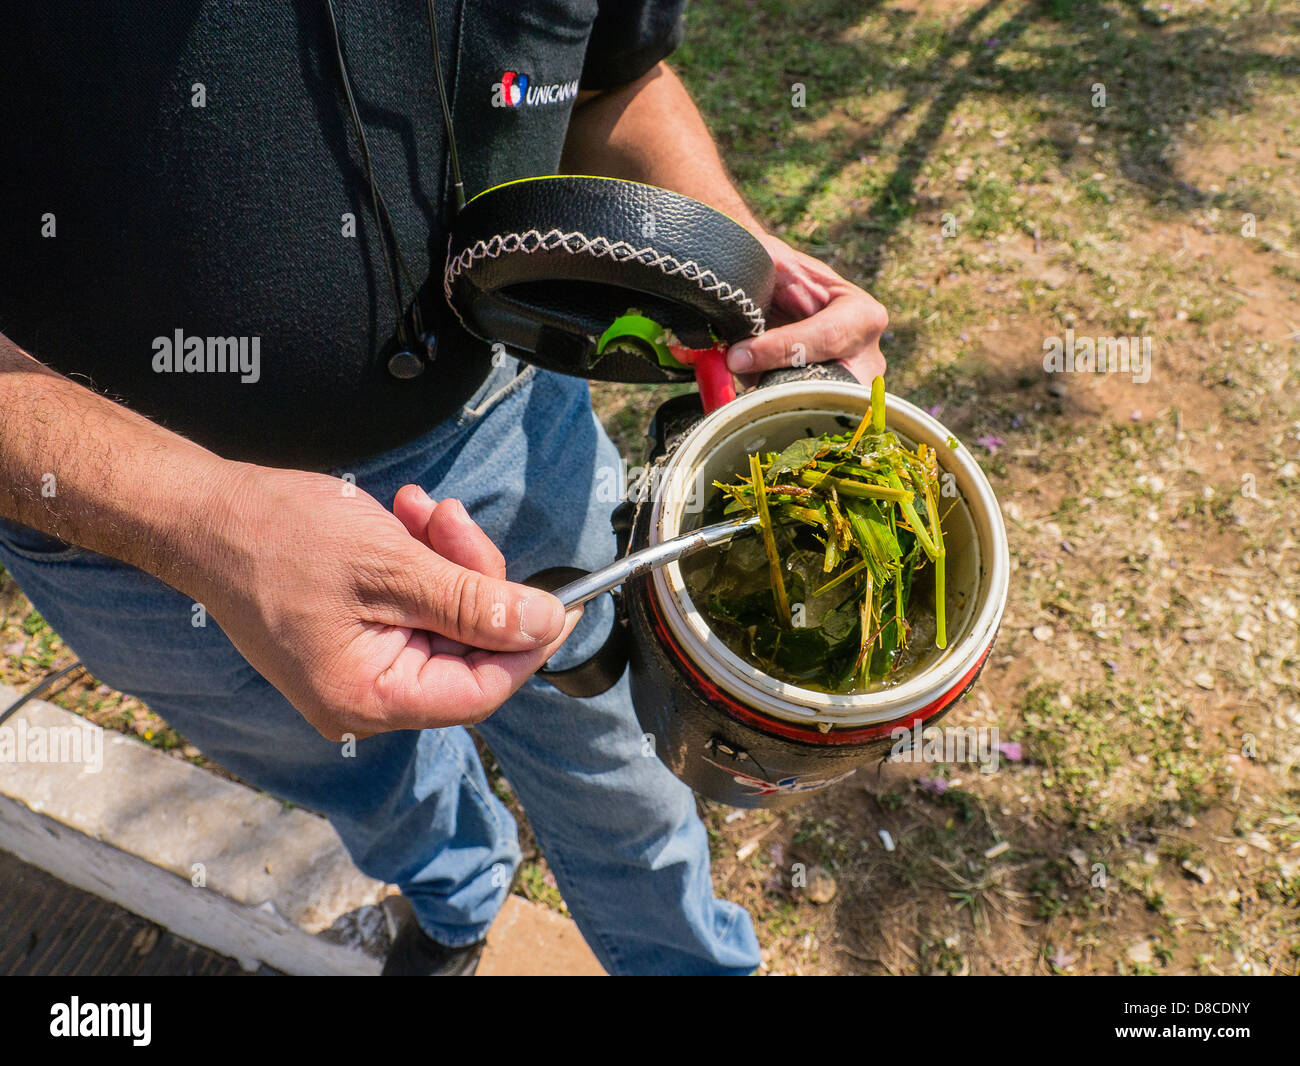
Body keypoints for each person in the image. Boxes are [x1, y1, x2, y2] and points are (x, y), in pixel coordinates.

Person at [0, 2, 886, 975]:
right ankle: (458, 900)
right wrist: (197, 523)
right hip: (121, 540)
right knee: (354, 775)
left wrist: (730, 261)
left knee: (616, 758)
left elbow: (612, 81)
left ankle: (687, 963)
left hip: (505, 424)